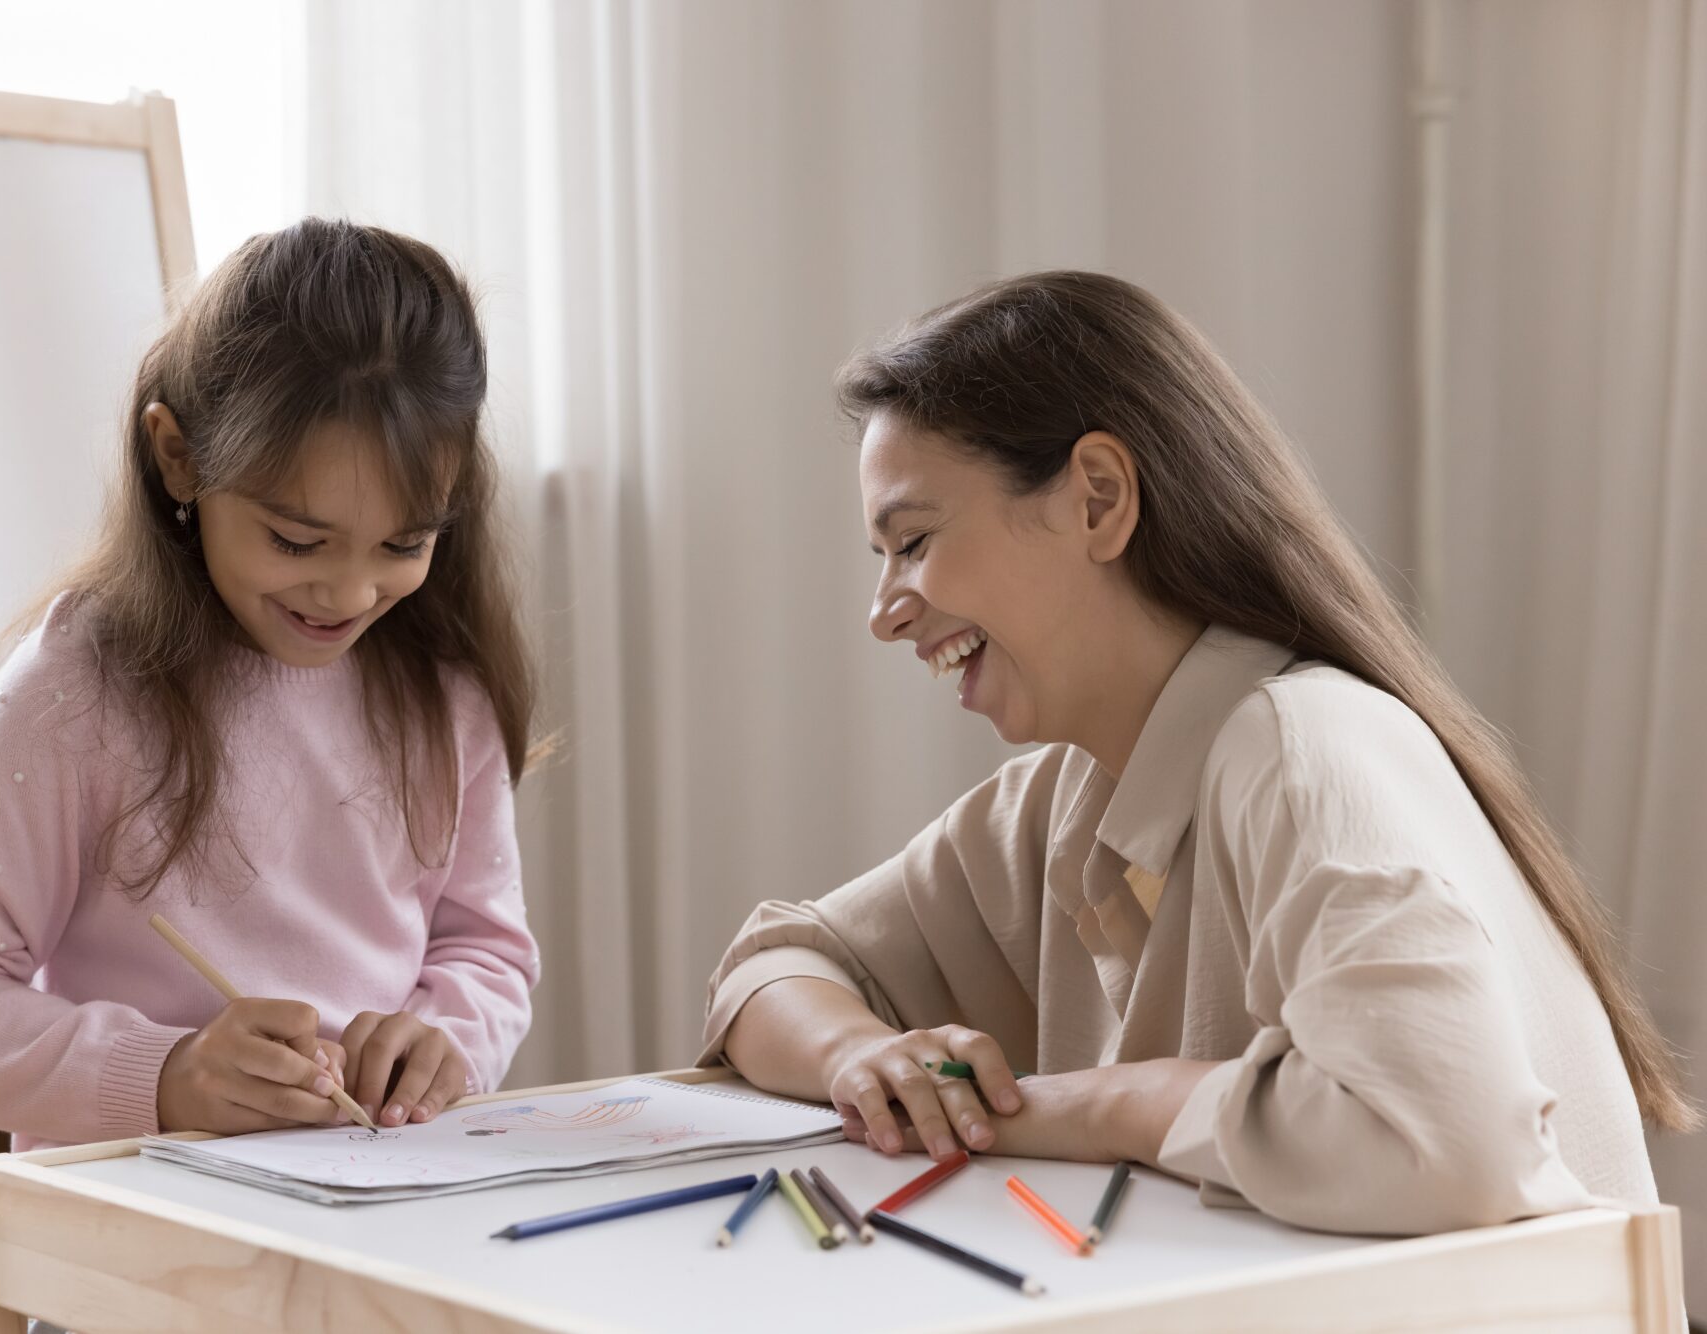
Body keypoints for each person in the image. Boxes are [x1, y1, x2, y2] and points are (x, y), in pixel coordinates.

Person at [701, 271, 1687, 1234]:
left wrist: (1112, 1102)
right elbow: (774, 962)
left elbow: (1442, 1140)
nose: (883, 612)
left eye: (910, 540)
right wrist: (857, 1056)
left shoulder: (1298, 744)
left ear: (1094, 497)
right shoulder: (1067, 795)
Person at [0, 219, 540, 1150]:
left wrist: (447, 1043)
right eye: (296, 542)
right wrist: (166, 1078)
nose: (348, 593)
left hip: (377, 1205)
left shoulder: (439, 689)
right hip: (134, 1239)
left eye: (404, 545)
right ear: (178, 456)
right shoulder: (74, 696)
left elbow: (487, 951)